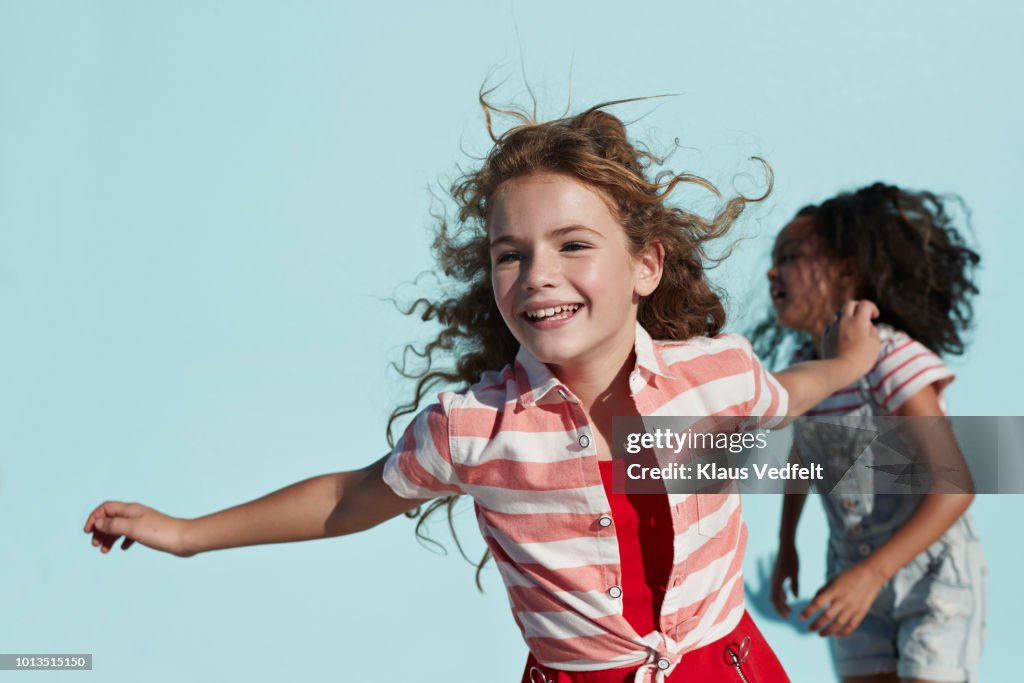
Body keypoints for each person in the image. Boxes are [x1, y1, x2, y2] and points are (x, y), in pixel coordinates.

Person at [84, 99, 881, 682]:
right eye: (511, 253)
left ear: (646, 265)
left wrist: (846, 365)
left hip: (731, 668)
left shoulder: (715, 374)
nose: (539, 275)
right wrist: (187, 532)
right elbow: (352, 496)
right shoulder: (474, 429)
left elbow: (788, 390)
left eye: (573, 244)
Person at [762, 183, 986, 683]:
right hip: (851, 568)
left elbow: (956, 485)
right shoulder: (805, 369)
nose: (773, 271)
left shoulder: (891, 357)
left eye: (791, 257)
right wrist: (786, 544)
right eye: (775, 259)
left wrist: (874, 574)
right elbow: (803, 459)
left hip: (932, 579)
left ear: (846, 270)